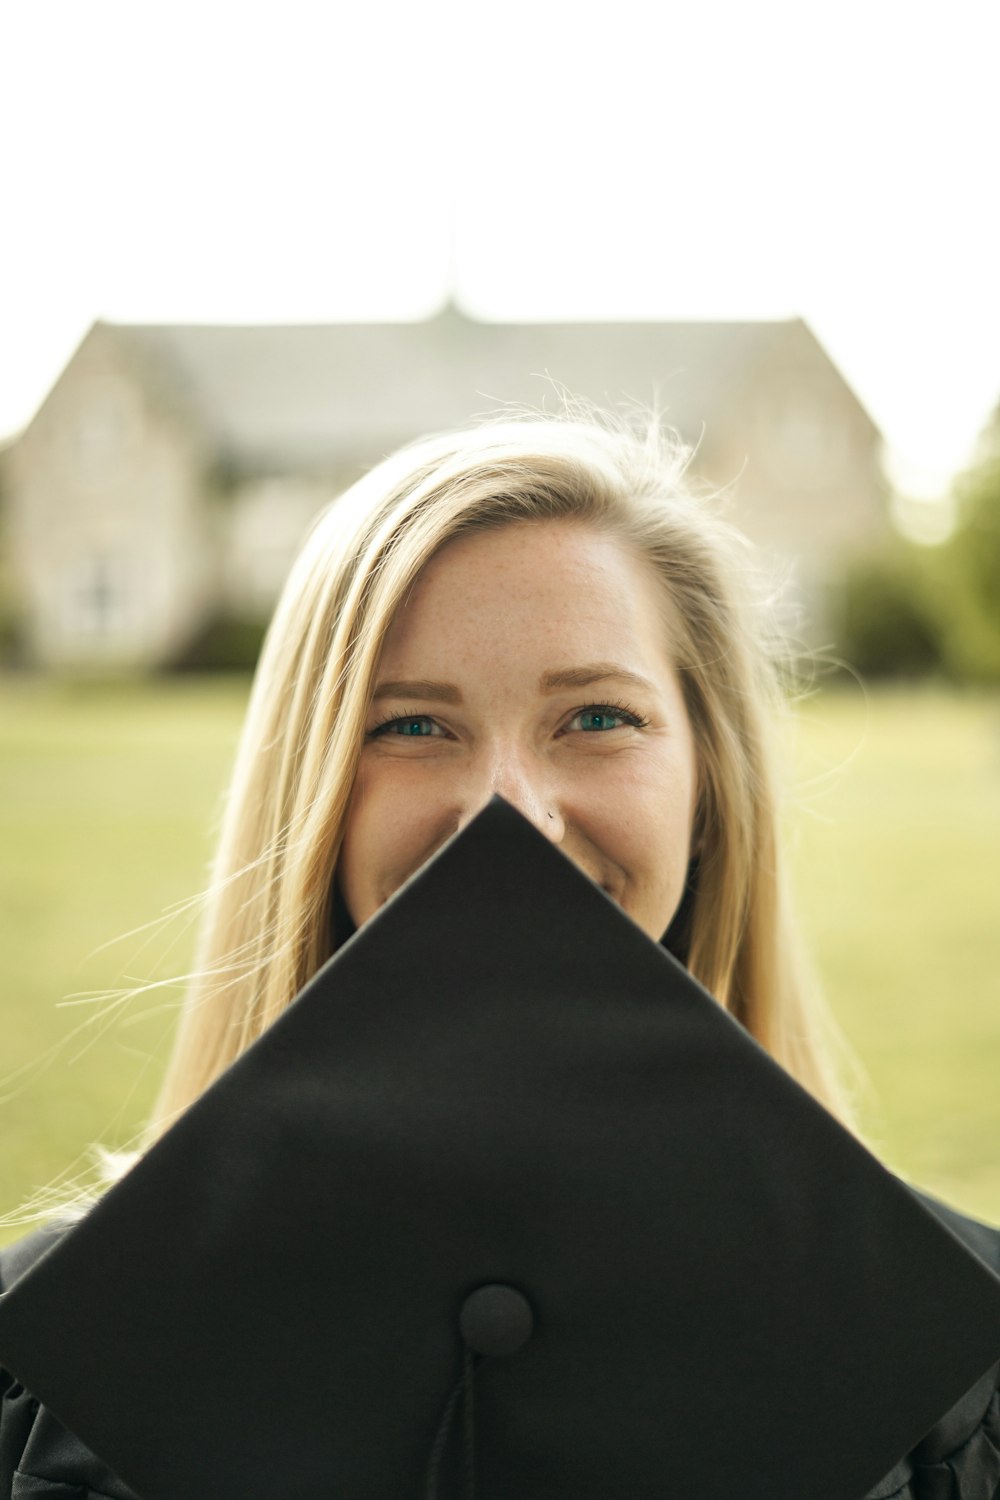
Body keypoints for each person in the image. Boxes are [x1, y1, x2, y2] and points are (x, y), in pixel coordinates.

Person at [2, 410, 998, 1499]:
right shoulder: (51, 1373)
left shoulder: (949, 1368)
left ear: (709, 790)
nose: (509, 815)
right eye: (412, 727)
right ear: (311, 801)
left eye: (597, 717)